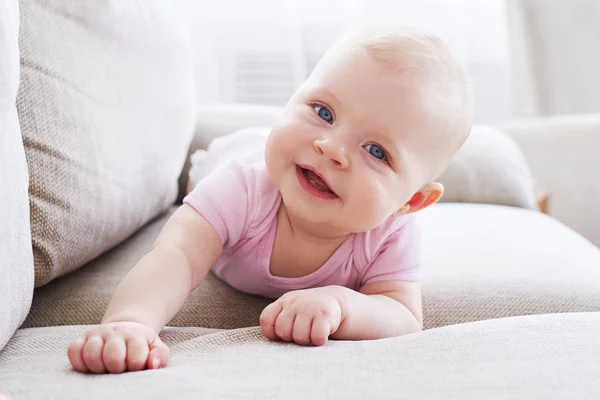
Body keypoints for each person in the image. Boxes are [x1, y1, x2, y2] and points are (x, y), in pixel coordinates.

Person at [68, 25, 473, 374]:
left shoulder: (391, 232)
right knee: (197, 191)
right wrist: (132, 322)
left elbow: (402, 315)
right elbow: (178, 255)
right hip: (223, 162)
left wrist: (341, 304)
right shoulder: (242, 188)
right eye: (324, 112)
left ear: (411, 202)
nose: (331, 148)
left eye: (377, 151)